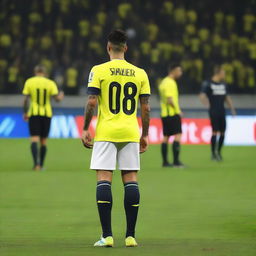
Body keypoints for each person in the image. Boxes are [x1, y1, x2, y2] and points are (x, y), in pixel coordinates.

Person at [81, 29, 151, 247]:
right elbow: (146, 107)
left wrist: (85, 128)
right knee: (131, 179)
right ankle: (130, 236)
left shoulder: (98, 70)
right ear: (126, 48)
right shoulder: (140, 73)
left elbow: (92, 101)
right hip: (130, 132)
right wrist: (145, 134)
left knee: (104, 178)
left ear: (108, 47)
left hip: (106, 132)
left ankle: (107, 236)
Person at [22, 65, 64, 170]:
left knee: (34, 139)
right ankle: (41, 165)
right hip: (47, 114)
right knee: (43, 141)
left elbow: (25, 100)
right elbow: (57, 99)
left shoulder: (29, 82)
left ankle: (35, 165)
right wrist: (61, 96)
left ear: (35, 72)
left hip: (34, 113)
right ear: (45, 73)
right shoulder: (50, 83)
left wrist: (25, 112)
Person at [199, 65, 236, 161]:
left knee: (223, 132)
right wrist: (207, 104)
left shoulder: (223, 85)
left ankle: (219, 152)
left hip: (222, 111)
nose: (224, 75)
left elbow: (227, 97)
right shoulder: (209, 84)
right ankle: (213, 154)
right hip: (214, 111)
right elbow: (202, 95)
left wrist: (232, 108)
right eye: (223, 73)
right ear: (219, 73)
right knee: (215, 132)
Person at [158, 63, 184, 168]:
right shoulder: (170, 83)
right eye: (179, 71)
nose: (180, 73)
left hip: (164, 113)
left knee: (166, 137)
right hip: (172, 113)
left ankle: (165, 162)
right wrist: (178, 111)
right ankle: (176, 162)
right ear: (173, 71)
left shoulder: (163, 82)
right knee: (178, 135)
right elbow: (169, 99)